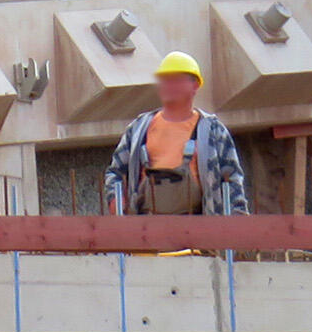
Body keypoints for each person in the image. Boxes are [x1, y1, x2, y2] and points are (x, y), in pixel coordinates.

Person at [105, 51, 249, 215]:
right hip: (147, 228)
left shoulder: (212, 130)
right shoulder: (139, 128)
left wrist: (238, 223)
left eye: (177, 80)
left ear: (195, 86)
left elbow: (232, 178)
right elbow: (114, 172)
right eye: (166, 80)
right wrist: (115, 200)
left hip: (198, 227)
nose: (171, 86)